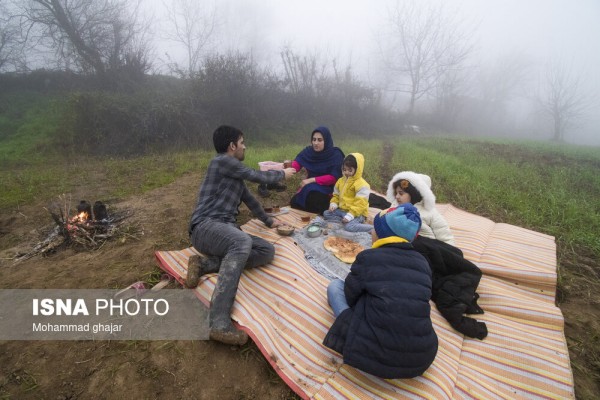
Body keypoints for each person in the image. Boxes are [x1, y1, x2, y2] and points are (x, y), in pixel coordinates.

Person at [187, 125, 296, 345]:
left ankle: (203, 265)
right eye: (242, 142)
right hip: (205, 227)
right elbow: (255, 175)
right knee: (241, 241)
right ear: (232, 146)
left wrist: (270, 221)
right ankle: (217, 322)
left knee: (266, 250)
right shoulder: (221, 161)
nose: (244, 146)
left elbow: (251, 200)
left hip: (223, 232)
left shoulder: (233, 173)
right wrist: (282, 173)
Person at [323, 204, 439, 379]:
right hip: (420, 357)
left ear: (382, 235)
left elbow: (350, 295)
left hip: (369, 351)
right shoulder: (423, 263)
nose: (371, 232)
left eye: (374, 229)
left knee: (335, 287)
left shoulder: (368, 257)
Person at [386, 171, 454, 245]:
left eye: (401, 193)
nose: (397, 196)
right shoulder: (395, 205)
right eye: (396, 193)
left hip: (423, 250)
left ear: (413, 194)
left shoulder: (430, 213)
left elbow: (446, 238)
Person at [289, 126, 345, 214]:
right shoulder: (308, 152)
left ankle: (332, 209)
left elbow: (334, 177)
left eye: (319, 140)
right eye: (314, 139)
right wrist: (285, 167)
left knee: (315, 198)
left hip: (329, 188)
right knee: (294, 202)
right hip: (310, 187)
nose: (315, 143)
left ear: (326, 141)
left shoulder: (336, 155)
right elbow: (297, 164)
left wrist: (311, 180)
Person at [322, 153, 373, 232]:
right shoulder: (340, 181)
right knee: (326, 213)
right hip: (343, 211)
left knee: (349, 227)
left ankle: (371, 228)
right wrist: (333, 204)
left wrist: (351, 215)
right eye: (344, 169)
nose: (346, 172)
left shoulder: (362, 185)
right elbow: (336, 195)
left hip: (357, 214)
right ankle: (345, 221)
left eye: (350, 170)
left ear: (357, 170)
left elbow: (360, 204)